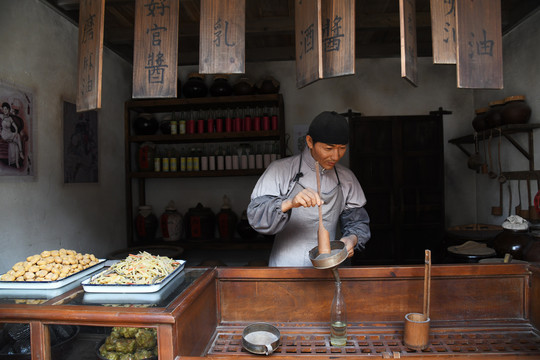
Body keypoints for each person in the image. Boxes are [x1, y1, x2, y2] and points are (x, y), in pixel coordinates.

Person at [247, 111, 370, 267]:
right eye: (328, 148)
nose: (336, 156)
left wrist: (351, 239)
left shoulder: (346, 178)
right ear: (310, 141)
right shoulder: (280, 170)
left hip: (328, 268)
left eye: (342, 148)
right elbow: (256, 216)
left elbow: (358, 222)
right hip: (285, 266)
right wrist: (290, 203)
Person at [1, 102, 24, 168]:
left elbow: (15, 127)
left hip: (10, 133)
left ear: (9, 110)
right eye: (3, 109)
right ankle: (21, 152)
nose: (5, 110)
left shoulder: (10, 118)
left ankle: (17, 163)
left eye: (6, 109)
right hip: (5, 134)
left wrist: (16, 132)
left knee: (16, 143)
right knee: (17, 138)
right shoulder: (2, 116)